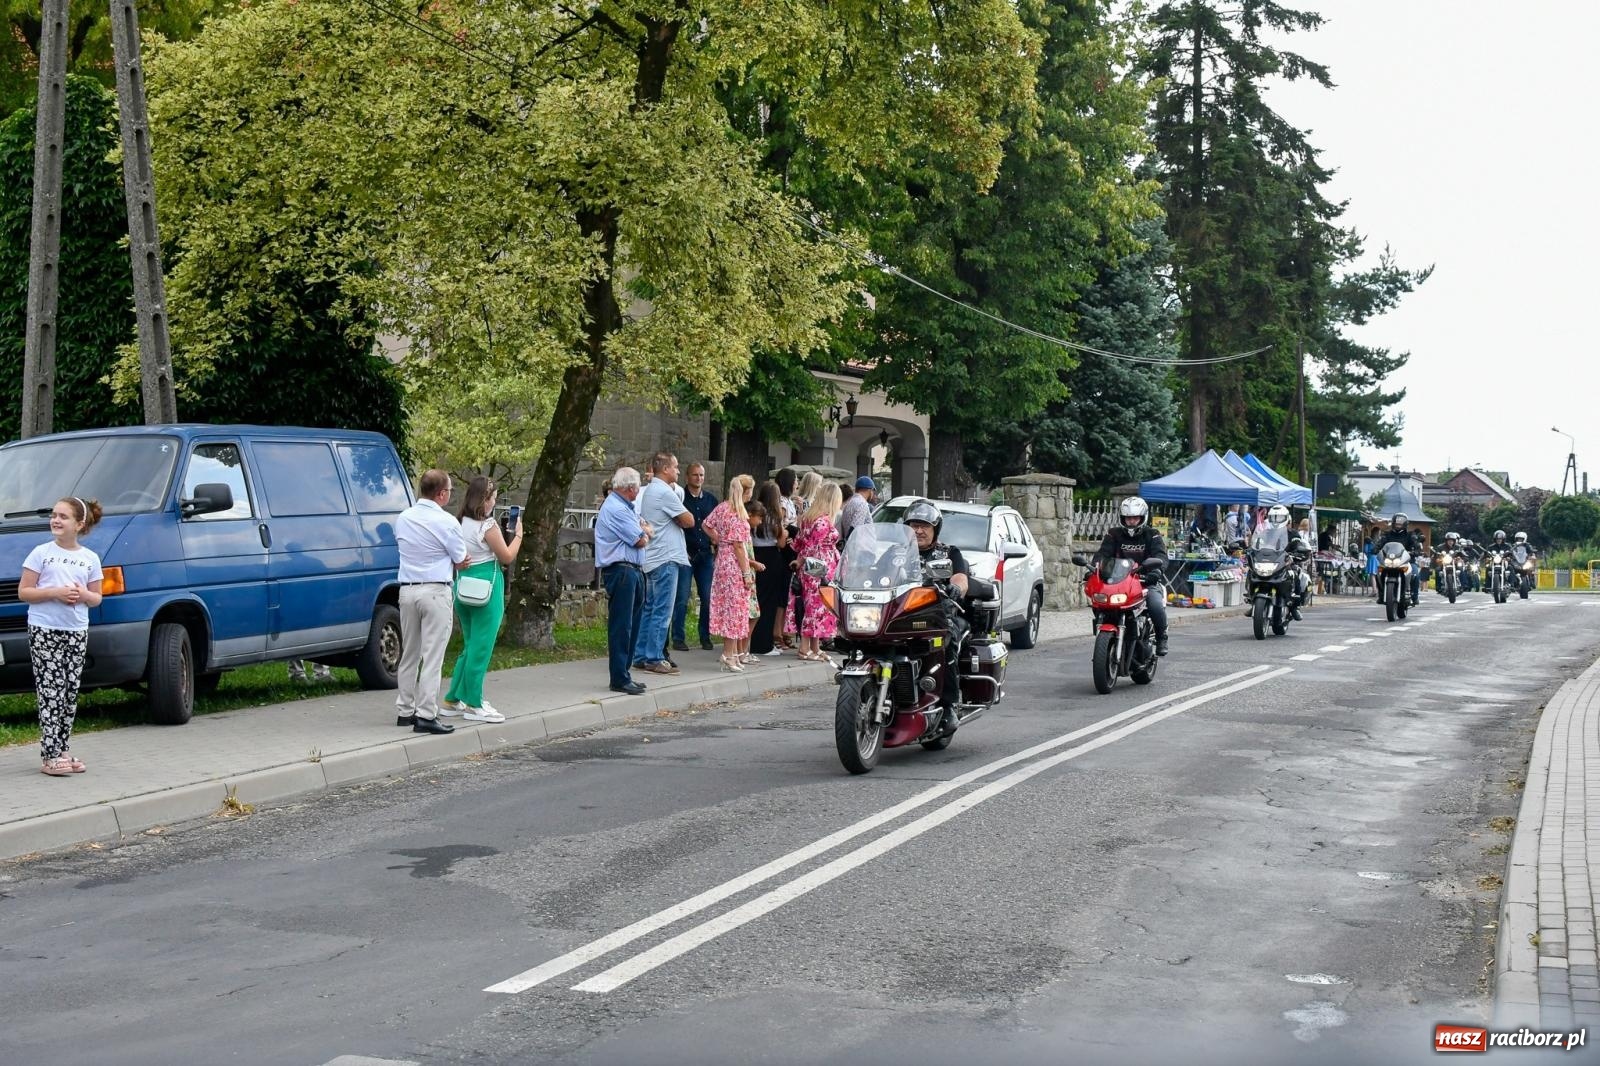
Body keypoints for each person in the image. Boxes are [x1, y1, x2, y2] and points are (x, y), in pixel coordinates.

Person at [19, 496, 104, 776]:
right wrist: (55, 592)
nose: (55, 520)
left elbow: (97, 598)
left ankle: (62, 750)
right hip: (44, 629)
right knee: (51, 691)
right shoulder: (41, 553)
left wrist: (83, 594)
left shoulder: (90, 558)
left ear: (79, 524)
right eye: (54, 515)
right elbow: (24, 592)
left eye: (63, 516)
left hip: (76, 630)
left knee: (69, 692)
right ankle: (50, 756)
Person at [438, 475, 522, 724]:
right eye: (492, 498)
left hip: (463, 587)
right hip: (488, 588)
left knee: (470, 645)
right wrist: (519, 535)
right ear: (484, 500)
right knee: (481, 648)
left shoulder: (459, 522)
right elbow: (506, 557)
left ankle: (453, 699)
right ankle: (474, 703)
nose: (494, 502)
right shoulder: (488, 526)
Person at [394, 469, 470, 733]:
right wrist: (454, 561)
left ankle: (405, 710)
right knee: (432, 656)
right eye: (449, 490)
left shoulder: (403, 518)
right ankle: (426, 714)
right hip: (436, 590)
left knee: (409, 653)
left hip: (407, 590)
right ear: (441, 494)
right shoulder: (447, 522)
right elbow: (460, 558)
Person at [901, 499, 971, 735]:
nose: (919, 530)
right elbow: (870, 572)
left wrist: (956, 588)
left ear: (935, 529)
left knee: (945, 642)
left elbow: (961, 578)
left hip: (938, 615)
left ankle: (949, 705)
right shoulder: (895, 553)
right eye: (914, 525)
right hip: (900, 615)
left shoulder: (949, 553)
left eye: (924, 526)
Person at [634, 452, 695, 676]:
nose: (678, 471)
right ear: (666, 469)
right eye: (675, 467)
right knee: (663, 610)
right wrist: (677, 517)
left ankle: (641, 655)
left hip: (653, 557)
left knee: (650, 609)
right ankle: (654, 657)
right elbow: (689, 520)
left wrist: (675, 517)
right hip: (666, 557)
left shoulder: (651, 490)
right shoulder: (664, 492)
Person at [596, 467, 652, 695]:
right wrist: (644, 532)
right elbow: (640, 539)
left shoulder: (626, 507)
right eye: (637, 487)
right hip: (622, 570)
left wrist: (644, 530)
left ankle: (625, 674)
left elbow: (647, 529)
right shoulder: (616, 508)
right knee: (622, 626)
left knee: (633, 624)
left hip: (633, 570)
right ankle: (619, 677)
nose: (638, 491)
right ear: (631, 488)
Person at [1093, 496, 1169, 657]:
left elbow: (1160, 555)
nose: (1131, 521)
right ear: (1122, 518)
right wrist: (1095, 568)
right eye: (1128, 518)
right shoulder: (1113, 534)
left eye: (1135, 518)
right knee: (1099, 602)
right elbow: (1103, 554)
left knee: (1155, 604)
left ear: (1143, 517)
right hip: (1119, 582)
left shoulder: (1152, 535)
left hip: (1145, 581)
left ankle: (1162, 637)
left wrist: (1156, 571)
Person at [703, 474, 762, 671]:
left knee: (730, 607)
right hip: (734, 565)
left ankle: (732, 653)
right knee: (735, 609)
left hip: (722, 561)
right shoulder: (738, 513)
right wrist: (746, 573)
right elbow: (739, 546)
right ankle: (728, 654)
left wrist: (719, 539)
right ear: (747, 491)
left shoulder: (723, 507)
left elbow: (706, 524)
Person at [786, 483, 843, 662]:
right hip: (818, 566)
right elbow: (811, 548)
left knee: (815, 606)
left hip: (813, 566)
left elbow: (799, 543)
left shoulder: (809, 517)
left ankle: (815, 647)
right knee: (815, 607)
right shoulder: (822, 521)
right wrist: (803, 562)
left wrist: (799, 561)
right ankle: (805, 648)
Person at [677, 461, 719, 652]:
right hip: (686, 554)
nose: (698, 478)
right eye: (695, 475)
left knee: (707, 597)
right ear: (687, 477)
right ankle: (678, 637)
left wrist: (716, 546)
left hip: (705, 555)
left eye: (701, 475)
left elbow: (716, 526)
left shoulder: (711, 500)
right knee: (682, 598)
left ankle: (705, 636)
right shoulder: (680, 498)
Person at [750, 483, 790, 657]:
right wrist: (785, 534)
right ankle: (764, 644)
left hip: (755, 554)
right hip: (771, 557)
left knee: (756, 599)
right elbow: (781, 543)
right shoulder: (775, 516)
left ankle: (750, 642)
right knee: (769, 603)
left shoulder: (754, 512)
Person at [1373, 513, 1423, 606]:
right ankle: (1381, 594)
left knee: (1415, 574)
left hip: (1407, 561)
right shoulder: (1387, 534)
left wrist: (1416, 551)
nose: (1398, 525)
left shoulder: (1410, 535)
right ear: (1393, 523)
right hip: (1389, 561)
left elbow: (1416, 545)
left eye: (1400, 524)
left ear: (1405, 524)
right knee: (1378, 573)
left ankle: (1414, 596)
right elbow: (1380, 543)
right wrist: (1376, 549)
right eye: (1396, 523)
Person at [838, 475, 875, 545]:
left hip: (849, 546)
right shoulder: (862, 504)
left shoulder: (849, 503)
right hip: (859, 547)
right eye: (873, 491)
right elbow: (855, 528)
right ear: (870, 490)